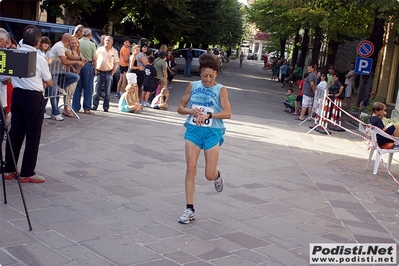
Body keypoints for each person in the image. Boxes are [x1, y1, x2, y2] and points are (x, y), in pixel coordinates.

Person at [177, 53, 232, 224]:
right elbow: (180, 107)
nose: (207, 79)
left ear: (216, 74)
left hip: (212, 132)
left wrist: (210, 114)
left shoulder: (221, 89)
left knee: (208, 174)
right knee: (191, 169)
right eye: (204, 75)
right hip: (193, 130)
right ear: (200, 73)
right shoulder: (192, 85)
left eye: (211, 76)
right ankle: (189, 209)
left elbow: (227, 113)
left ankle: (217, 175)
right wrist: (189, 111)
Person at [3, 25, 52, 183]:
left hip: (18, 94)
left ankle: (9, 169)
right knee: (33, 135)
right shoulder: (38, 58)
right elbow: (49, 81)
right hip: (32, 97)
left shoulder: (13, 53)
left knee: (15, 133)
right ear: (38, 42)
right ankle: (27, 172)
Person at [49, 33, 82, 121]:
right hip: (54, 71)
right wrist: (76, 62)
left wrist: (79, 58)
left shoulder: (63, 46)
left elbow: (70, 56)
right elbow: (64, 61)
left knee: (75, 77)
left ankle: (61, 87)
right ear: (68, 41)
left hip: (60, 71)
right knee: (53, 93)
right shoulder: (60, 46)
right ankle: (55, 112)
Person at [72, 28, 97, 114]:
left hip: (78, 64)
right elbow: (94, 58)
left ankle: (75, 107)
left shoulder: (78, 42)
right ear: (90, 35)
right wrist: (95, 68)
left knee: (77, 87)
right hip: (88, 65)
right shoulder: (92, 44)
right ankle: (87, 108)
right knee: (88, 87)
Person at [92, 35, 119, 112]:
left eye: (109, 41)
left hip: (108, 73)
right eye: (106, 40)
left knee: (107, 92)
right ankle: (94, 105)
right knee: (96, 91)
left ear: (112, 42)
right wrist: (95, 69)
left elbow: (116, 63)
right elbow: (95, 59)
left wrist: (113, 72)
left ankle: (106, 107)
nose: (107, 42)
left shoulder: (114, 51)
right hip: (99, 72)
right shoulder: (99, 49)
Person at [63, 37, 83, 117]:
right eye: (72, 43)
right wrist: (73, 68)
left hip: (77, 74)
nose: (74, 45)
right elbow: (68, 61)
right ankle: (65, 109)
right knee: (68, 91)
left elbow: (82, 61)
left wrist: (82, 63)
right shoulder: (69, 51)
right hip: (71, 74)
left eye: (75, 43)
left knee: (71, 92)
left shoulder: (79, 52)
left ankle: (67, 107)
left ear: (78, 44)